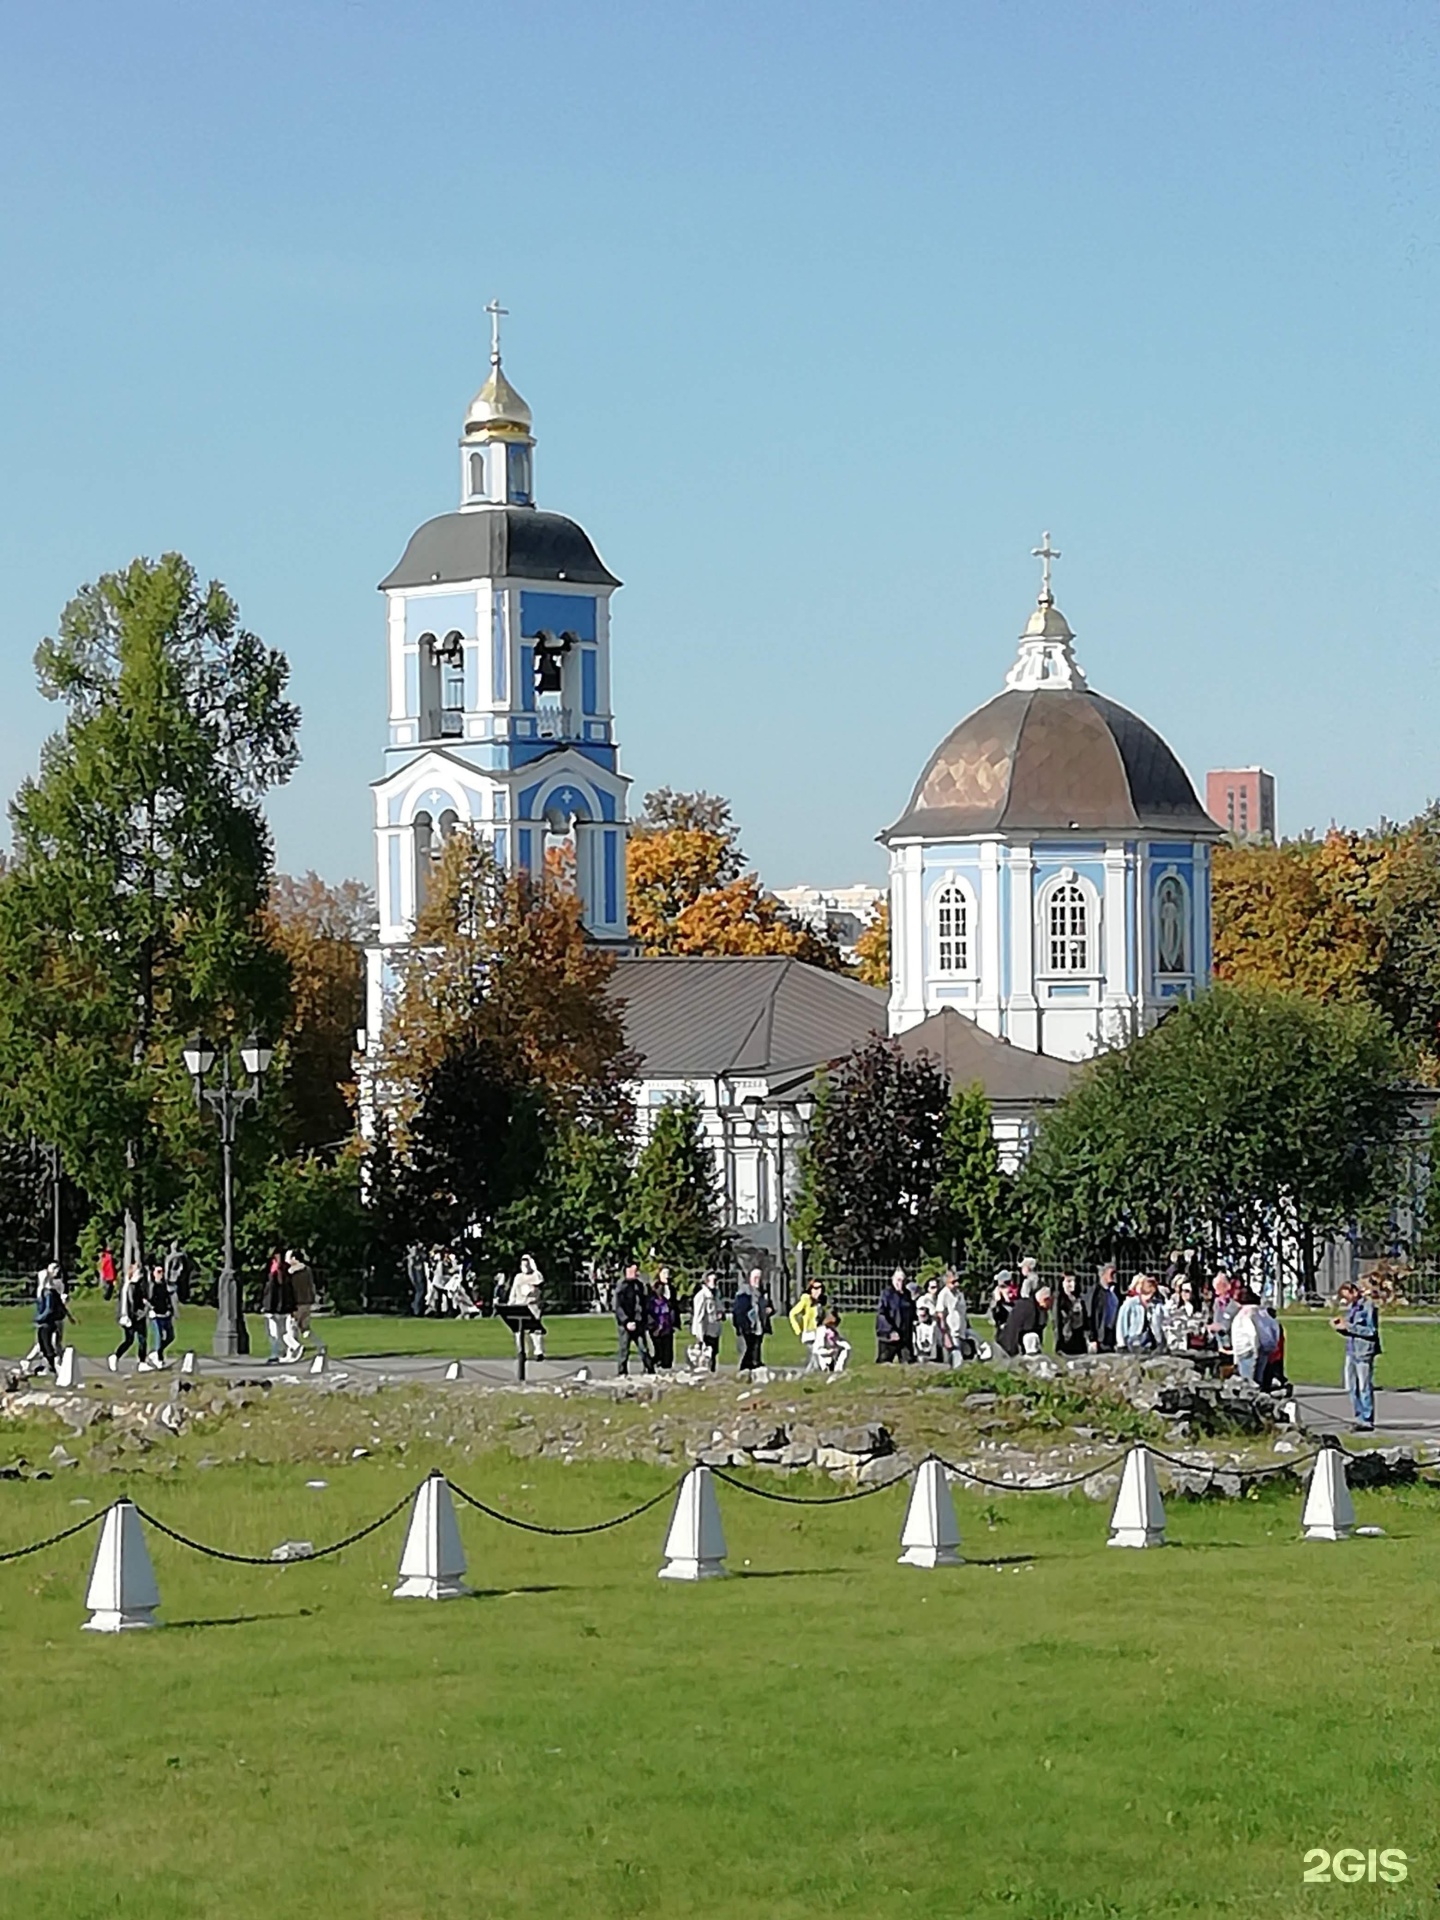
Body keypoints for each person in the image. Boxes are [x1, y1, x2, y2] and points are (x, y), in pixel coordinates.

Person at [1332, 1280, 1381, 1432]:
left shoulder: (1368, 1306)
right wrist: (1340, 1328)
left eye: (1348, 1297)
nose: (1347, 1301)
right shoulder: (1353, 1308)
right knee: (1351, 1387)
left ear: (1353, 1292)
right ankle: (1358, 1416)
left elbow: (1371, 1331)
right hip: (1351, 1351)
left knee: (1364, 1386)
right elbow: (1350, 1330)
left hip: (1363, 1352)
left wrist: (1349, 1326)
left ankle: (1367, 1419)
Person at [614, 1262, 654, 1376]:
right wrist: (626, 1321)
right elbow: (618, 1307)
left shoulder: (640, 1286)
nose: (636, 1273)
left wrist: (643, 1320)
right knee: (624, 1349)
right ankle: (622, 1372)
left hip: (638, 1323)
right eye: (633, 1270)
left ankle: (649, 1369)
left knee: (643, 1348)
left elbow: (642, 1305)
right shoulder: (621, 1287)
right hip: (625, 1324)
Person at [33, 1264, 71, 1375]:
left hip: (47, 1322)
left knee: (48, 1345)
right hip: (45, 1322)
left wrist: (39, 1318)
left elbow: (49, 1308)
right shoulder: (44, 1291)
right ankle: (50, 1366)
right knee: (43, 1345)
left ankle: (57, 1366)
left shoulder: (48, 1292)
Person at [997, 1282, 1052, 1357]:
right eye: (1048, 1300)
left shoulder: (1038, 1309)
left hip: (1017, 1345)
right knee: (1031, 1336)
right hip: (1011, 1345)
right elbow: (1018, 1331)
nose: (1050, 1303)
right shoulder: (1026, 1307)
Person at [111, 1262, 149, 1369]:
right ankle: (116, 1356)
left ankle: (142, 1361)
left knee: (142, 1339)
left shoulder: (138, 1286)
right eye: (138, 1272)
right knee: (130, 1340)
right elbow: (127, 1304)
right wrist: (127, 1316)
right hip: (131, 1317)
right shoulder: (128, 1287)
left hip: (138, 1316)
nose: (140, 1274)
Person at [1116, 1275, 1167, 1354]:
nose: (1149, 1299)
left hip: (1152, 1343)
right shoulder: (1129, 1304)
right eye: (1146, 1296)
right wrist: (1121, 1344)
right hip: (1133, 1342)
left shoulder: (1157, 1305)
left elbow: (1163, 1323)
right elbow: (1121, 1325)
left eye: (1151, 1296)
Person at [261, 1252, 296, 1363]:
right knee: (284, 1331)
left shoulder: (273, 1270)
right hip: (284, 1306)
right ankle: (286, 1351)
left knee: (275, 1332)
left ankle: (277, 1352)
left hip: (274, 1306)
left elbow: (269, 1291)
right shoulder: (286, 1270)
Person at [876, 1268, 916, 1363]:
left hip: (905, 1336)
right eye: (898, 1280)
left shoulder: (907, 1294)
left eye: (903, 1281)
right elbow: (881, 1314)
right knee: (884, 1363)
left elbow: (911, 1312)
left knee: (908, 1362)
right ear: (893, 1279)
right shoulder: (887, 1294)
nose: (901, 1284)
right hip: (889, 1337)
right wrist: (890, 1331)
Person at [1229, 1287, 1265, 1383]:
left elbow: (1253, 1334)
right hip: (1245, 1350)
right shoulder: (1254, 1313)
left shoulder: (1246, 1314)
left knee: (1247, 1382)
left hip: (1246, 1350)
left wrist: (1255, 1349)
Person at [937, 1270, 973, 1366]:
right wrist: (945, 1335)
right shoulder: (943, 1294)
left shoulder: (959, 1294)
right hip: (951, 1332)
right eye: (953, 1282)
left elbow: (963, 1312)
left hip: (962, 1330)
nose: (957, 1284)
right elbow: (940, 1315)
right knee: (956, 1361)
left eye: (957, 1281)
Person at [287, 1249, 317, 1359]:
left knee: (291, 1327)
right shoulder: (307, 1270)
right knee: (305, 1328)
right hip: (307, 1301)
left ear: (294, 1259)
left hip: (297, 1302)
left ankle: (295, 1348)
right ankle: (319, 1344)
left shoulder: (292, 1272)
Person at [690, 1270, 722, 1372]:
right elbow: (699, 1317)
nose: (715, 1282)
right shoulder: (702, 1296)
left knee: (714, 1353)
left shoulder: (716, 1294)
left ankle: (712, 1372)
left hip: (714, 1330)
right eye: (713, 1280)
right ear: (706, 1281)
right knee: (705, 1355)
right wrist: (700, 1336)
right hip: (705, 1331)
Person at [1084, 1264, 1121, 1353]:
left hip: (1111, 1333)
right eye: (1111, 1273)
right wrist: (1092, 1338)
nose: (1114, 1276)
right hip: (1100, 1335)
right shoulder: (1095, 1292)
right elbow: (1090, 1314)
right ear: (1103, 1274)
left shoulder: (1114, 1291)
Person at [146, 1263, 176, 1369]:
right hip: (156, 1315)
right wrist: (151, 1309)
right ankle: (158, 1357)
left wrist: (170, 1309)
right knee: (158, 1335)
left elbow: (168, 1298)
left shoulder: (164, 1285)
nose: (161, 1274)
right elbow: (147, 1299)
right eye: (158, 1272)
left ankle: (157, 1352)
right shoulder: (151, 1285)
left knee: (170, 1336)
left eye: (162, 1272)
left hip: (165, 1314)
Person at [1053, 1272, 1089, 1356]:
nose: (1072, 1284)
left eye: (1074, 1281)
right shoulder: (1059, 1300)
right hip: (1066, 1340)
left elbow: (1085, 1321)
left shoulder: (1079, 1299)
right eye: (1068, 1281)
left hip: (1079, 1339)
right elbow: (1057, 1322)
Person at [647, 1268, 676, 1371]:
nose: (667, 1276)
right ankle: (651, 1366)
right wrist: (653, 1326)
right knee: (658, 1351)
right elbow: (650, 1310)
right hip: (657, 1324)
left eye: (668, 1273)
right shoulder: (653, 1291)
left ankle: (666, 1368)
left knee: (668, 1351)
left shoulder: (671, 1289)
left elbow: (673, 1306)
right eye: (664, 1273)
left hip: (667, 1324)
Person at [788, 1277, 826, 1352]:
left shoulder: (822, 1301)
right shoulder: (806, 1300)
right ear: (810, 1289)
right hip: (809, 1332)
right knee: (818, 1353)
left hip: (820, 1331)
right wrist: (798, 1330)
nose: (818, 1291)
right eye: (815, 1288)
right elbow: (792, 1314)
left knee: (817, 1356)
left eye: (820, 1288)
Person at [811, 1310, 851, 1374]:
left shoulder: (833, 1330)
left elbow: (837, 1341)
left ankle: (838, 1369)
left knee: (846, 1347)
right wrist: (828, 1351)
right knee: (825, 1365)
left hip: (831, 1353)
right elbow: (817, 1349)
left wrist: (837, 1346)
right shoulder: (821, 1331)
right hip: (822, 1355)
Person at [164, 1239, 192, 1306]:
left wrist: (167, 1275)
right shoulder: (176, 1256)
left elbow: (169, 1266)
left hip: (173, 1275)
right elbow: (169, 1266)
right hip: (173, 1274)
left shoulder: (173, 1257)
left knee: (173, 1289)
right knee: (172, 1289)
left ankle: (174, 1302)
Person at [407, 1244, 428, 1317]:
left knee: (420, 1292)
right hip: (416, 1278)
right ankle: (416, 1309)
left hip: (420, 1277)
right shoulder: (411, 1259)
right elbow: (410, 1270)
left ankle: (417, 1309)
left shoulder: (419, 1257)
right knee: (419, 1292)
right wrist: (412, 1279)